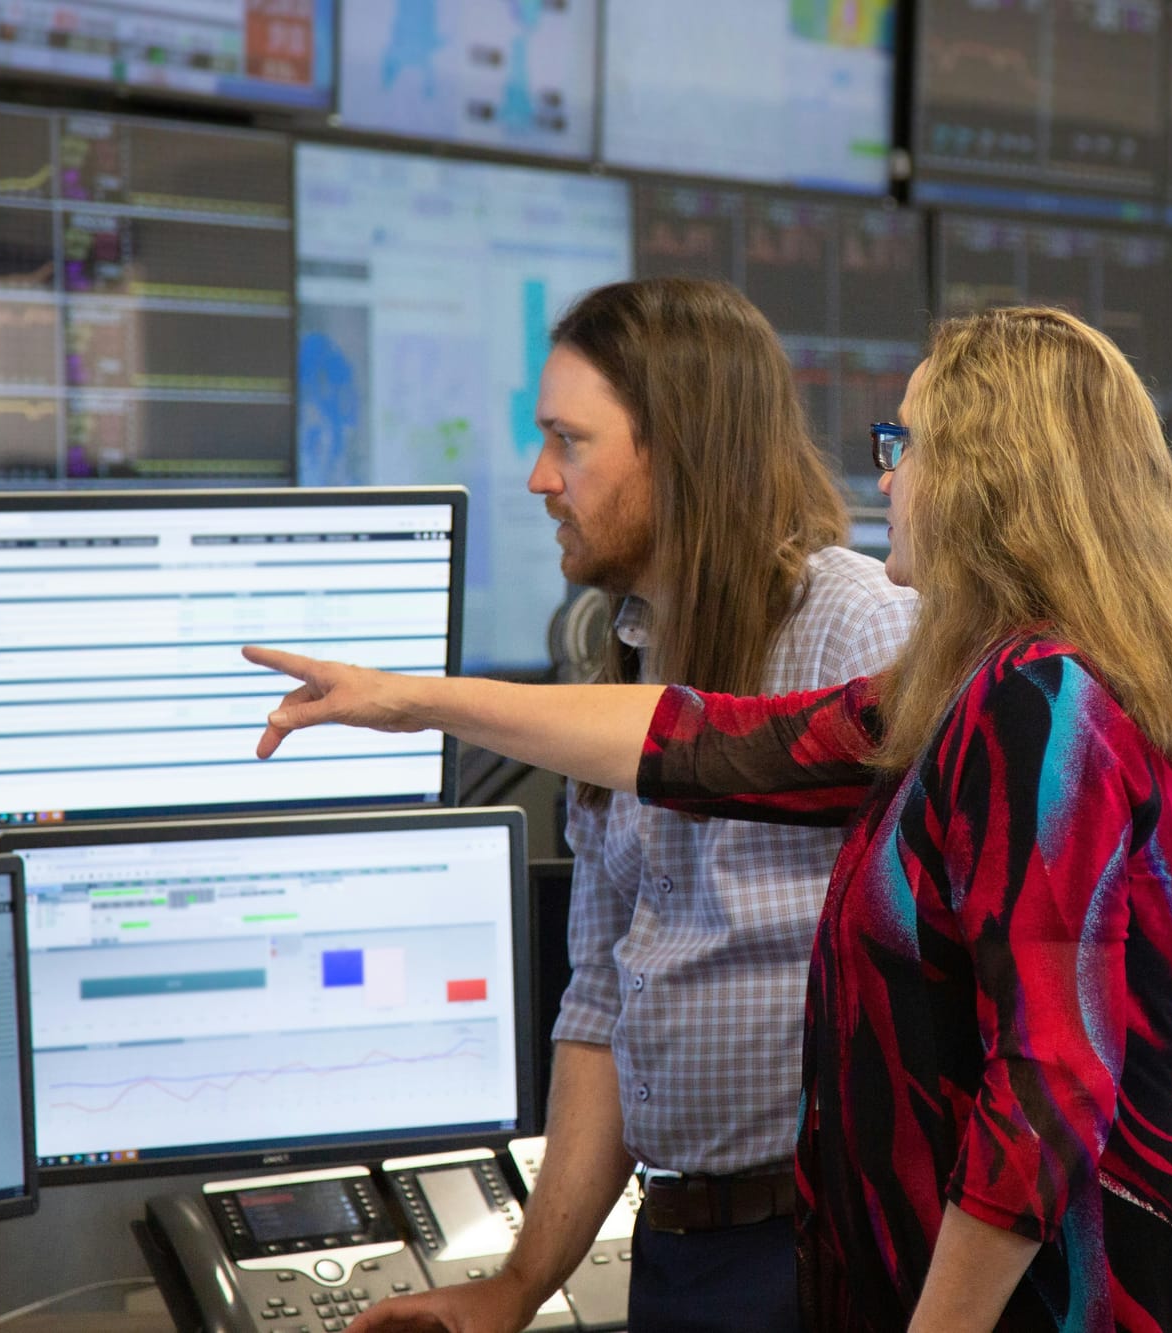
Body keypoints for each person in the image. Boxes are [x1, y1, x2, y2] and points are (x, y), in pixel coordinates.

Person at [247, 306, 1172, 1332]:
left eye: (905, 443)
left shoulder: (1046, 702)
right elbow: (708, 744)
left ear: (985, 472)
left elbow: (1048, 1083)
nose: (884, 476)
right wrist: (410, 698)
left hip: (1090, 1289)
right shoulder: (966, 690)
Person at [356, 278, 914, 1333]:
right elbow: (603, 1004)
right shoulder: (614, 654)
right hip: (677, 1255)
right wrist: (517, 1284)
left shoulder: (856, 632)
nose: (538, 478)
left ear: (680, 449)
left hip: (824, 1247)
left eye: (570, 442)